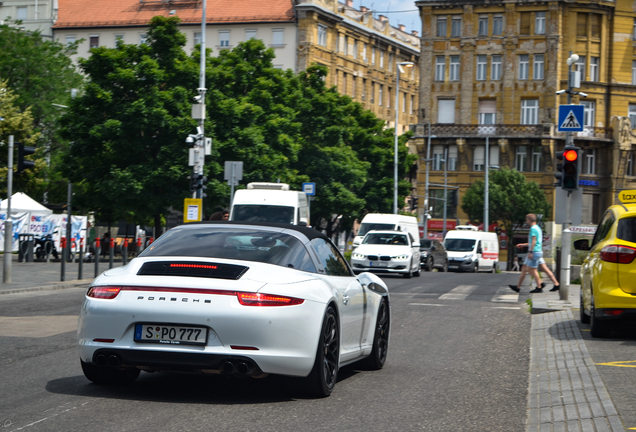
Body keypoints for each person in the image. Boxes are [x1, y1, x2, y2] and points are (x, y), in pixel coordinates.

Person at [508, 214, 559, 293]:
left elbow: (534, 241)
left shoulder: (533, 229)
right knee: (535, 269)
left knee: (532, 270)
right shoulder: (538, 228)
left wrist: (530, 252)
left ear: (529, 220)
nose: (526, 221)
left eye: (526, 219)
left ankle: (539, 286)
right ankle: (555, 283)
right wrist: (523, 245)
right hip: (538, 251)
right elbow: (534, 242)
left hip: (534, 252)